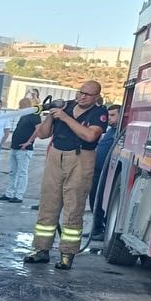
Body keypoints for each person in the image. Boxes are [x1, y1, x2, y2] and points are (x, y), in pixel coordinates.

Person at [24, 82, 109, 269]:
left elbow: (90, 136)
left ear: (96, 97)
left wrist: (64, 117)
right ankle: (40, 250)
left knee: (74, 207)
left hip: (81, 158)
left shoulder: (99, 114)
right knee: (48, 204)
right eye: (81, 92)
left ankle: (67, 254)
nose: (82, 96)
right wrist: (50, 116)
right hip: (56, 155)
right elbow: (44, 134)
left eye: (88, 94)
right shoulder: (66, 106)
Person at [89, 104, 122, 237]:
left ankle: (103, 228)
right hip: (97, 172)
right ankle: (96, 228)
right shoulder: (109, 131)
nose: (109, 118)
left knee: (103, 201)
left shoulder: (120, 133)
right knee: (94, 199)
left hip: (107, 173)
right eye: (108, 115)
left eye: (113, 115)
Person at [0, 97, 40, 203]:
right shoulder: (24, 116)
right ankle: (9, 193)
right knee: (12, 172)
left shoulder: (34, 116)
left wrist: (29, 142)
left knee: (22, 172)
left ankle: (19, 195)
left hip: (25, 149)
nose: (19, 108)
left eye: (21, 107)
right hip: (15, 147)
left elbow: (38, 129)